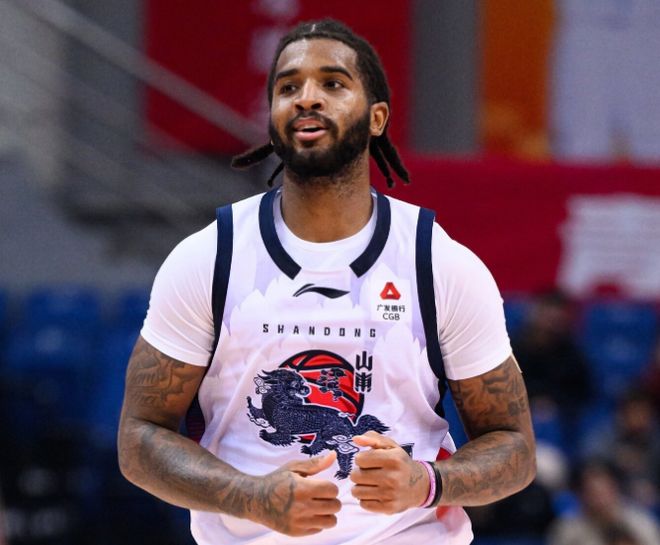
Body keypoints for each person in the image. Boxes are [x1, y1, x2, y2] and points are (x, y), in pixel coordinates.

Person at [118, 19, 536, 545]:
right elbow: (139, 439)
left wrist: (428, 483)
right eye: (288, 87)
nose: (306, 98)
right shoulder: (209, 257)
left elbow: (515, 447)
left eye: (333, 84)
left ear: (377, 117)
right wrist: (248, 496)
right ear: (272, 116)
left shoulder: (439, 262)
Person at [548, 458, 660, 545]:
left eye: (604, 491)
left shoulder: (639, 523)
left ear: (615, 489)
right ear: (581, 495)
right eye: (592, 492)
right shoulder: (567, 529)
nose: (599, 499)